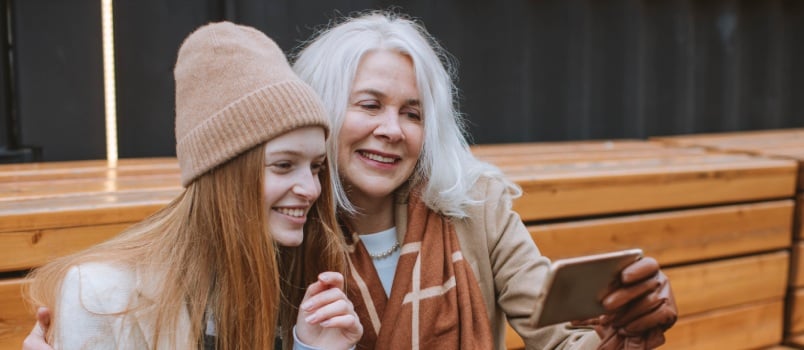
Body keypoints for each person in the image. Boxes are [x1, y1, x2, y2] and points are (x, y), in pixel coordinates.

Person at [291, 11, 677, 349]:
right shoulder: (288, 223)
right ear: (320, 110)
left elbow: (559, 340)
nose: (393, 130)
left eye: (413, 114)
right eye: (370, 105)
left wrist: (622, 330)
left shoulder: (475, 205)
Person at [22, 22, 362, 350]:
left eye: (316, 167)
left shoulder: (301, 283)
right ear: (221, 173)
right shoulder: (101, 295)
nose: (311, 188)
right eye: (284, 165)